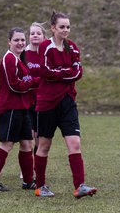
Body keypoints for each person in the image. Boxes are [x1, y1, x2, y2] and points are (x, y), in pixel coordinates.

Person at [34, 11, 97, 198]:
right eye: (62, 27)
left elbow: (78, 72)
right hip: (47, 103)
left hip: (68, 102)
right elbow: (46, 72)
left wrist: (61, 73)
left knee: (75, 143)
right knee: (44, 145)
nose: (65, 30)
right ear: (53, 28)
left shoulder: (73, 48)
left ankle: (80, 186)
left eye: (68, 27)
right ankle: (40, 187)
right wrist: (65, 72)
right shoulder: (45, 47)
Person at [0, 27, 39, 191]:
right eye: (16, 40)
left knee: (27, 144)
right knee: (6, 144)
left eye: (23, 40)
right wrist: (35, 82)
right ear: (9, 42)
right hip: (11, 108)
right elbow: (15, 86)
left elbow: (25, 81)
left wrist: (35, 81)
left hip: (22, 108)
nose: (20, 43)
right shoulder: (9, 59)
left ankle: (28, 182)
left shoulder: (20, 58)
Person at [19, 22, 47, 181]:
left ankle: (37, 167)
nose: (35, 35)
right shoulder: (23, 53)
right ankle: (26, 170)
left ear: (44, 36)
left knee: (40, 138)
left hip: (43, 102)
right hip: (27, 102)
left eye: (38, 33)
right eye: (32, 33)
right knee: (27, 138)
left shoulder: (47, 53)